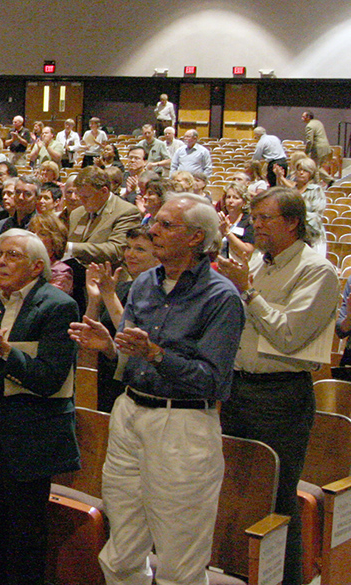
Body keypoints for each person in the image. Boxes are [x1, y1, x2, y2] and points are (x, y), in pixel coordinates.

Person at [70, 193, 245, 585]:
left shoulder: (221, 297)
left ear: (197, 238)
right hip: (131, 412)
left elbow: (213, 380)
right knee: (121, 551)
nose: (153, 231)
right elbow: (132, 357)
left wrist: (155, 354)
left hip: (182, 424)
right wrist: (111, 347)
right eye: (156, 222)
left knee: (179, 561)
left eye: (167, 225)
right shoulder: (144, 283)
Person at [216, 187, 339, 585]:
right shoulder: (258, 259)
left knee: (277, 502)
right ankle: (244, 574)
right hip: (239, 388)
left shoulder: (315, 270)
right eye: (254, 216)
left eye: (265, 218)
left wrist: (247, 291)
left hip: (280, 396)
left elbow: (288, 335)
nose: (255, 225)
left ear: (292, 223)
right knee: (241, 495)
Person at [0, 228, 80, 585]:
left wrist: (3, 350)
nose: (1, 262)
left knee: (23, 539)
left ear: (36, 267)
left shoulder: (58, 306)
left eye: (12, 256)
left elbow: (49, 379)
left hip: (34, 437)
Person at [83, 226, 160, 412]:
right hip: (108, 373)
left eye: (139, 249)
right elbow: (89, 331)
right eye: (128, 247)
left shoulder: (158, 293)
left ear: (159, 256)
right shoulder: (123, 288)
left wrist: (109, 295)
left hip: (137, 385)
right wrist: (94, 299)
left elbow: (132, 337)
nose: (130, 254)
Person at [67, 166, 142, 265]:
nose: (81, 200)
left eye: (86, 196)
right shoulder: (76, 213)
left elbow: (117, 250)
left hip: (109, 275)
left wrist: (70, 248)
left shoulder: (127, 212)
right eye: (79, 195)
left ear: (104, 191)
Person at [274, 157, 326, 256]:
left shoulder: (315, 190)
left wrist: (296, 216)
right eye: (299, 170)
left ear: (311, 174)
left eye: (305, 170)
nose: (301, 173)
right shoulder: (292, 190)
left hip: (312, 235)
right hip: (293, 235)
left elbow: (317, 214)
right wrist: (279, 177)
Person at [27, 212, 72, 295]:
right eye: (32, 232)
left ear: (55, 241)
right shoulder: (24, 264)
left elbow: (49, 302)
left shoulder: (61, 272)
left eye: (42, 234)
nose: (34, 236)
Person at [217, 181, 255, 262]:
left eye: (236, 198)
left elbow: (247, 251)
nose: (230, 201)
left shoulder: (249, 222)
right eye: (228, 197)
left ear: (244, 202)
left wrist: (227, 232)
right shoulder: (220, 219)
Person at [301, 110, 333, 185]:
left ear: (308, 117)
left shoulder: (309, 126)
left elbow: (310, 141)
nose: (302, 118)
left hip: (318, 149)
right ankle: (330, 180)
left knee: (314, 168)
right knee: (317, 167)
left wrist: (306, 152)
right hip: (326, 147)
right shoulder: (318, 122)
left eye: (303, 117)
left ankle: (316, 185)